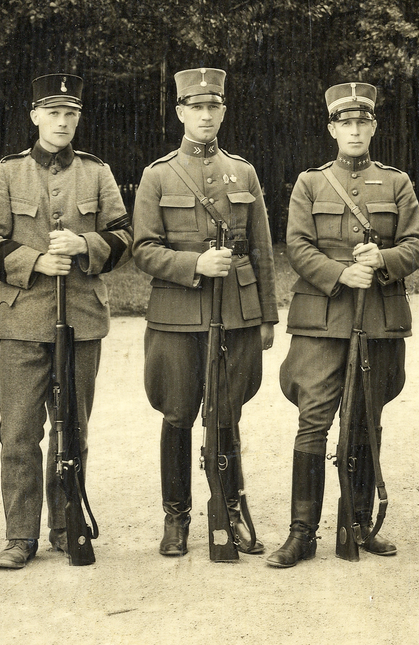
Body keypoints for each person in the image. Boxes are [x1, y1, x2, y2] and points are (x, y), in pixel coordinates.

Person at [0, 73, 132, 570]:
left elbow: (125, 236)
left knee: (73, 429)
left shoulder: (97, 173)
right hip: (23, 322)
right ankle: (20, 535)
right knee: (19, 432)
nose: (62, 122)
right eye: (53, 113)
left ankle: (66, 526)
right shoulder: (6, 172)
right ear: (35, 116)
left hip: (81, 320)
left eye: (71, 114)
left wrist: (84, 245)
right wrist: (36, 261)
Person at [267, 82, 419, 568]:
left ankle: (357, 524)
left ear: (373, 128)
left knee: (364, 421)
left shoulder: (396, 183)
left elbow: (417, 245)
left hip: (377, 321)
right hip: (321, 322)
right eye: (346, 123)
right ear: (332, 129)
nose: (354, 131)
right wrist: (341, 273)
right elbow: (297, 246)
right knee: (313, 421)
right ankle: (301, 533)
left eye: (362, 123)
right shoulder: (310, 182)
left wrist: (383, 259)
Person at [131, 67, 278, 557]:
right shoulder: (158, 174)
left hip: (236, 311)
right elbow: (143, 249)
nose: (206, 115)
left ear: (223, 111)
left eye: (213, 106)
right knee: (177, 414)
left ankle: (231, 509)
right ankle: (176, 517)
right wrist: (194, 263)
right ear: (180, 112)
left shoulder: (244, 172)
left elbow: (262, 249)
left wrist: (267, 317)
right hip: (176, 315)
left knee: (226, 413)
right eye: (196, 107)